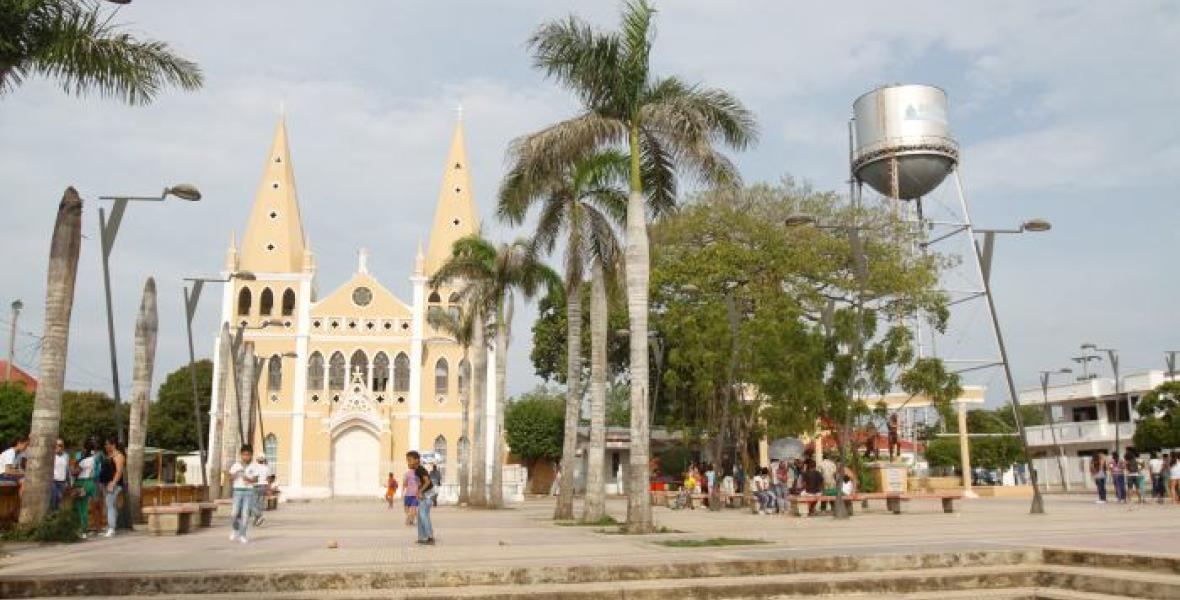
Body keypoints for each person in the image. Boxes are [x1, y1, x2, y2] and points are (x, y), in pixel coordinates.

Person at [228, 444, 259, 543]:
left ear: (251, 455)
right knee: (234, 513)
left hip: (248, 492)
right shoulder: (236, 465)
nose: (246, 457)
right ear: (241, 455)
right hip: (237, 491)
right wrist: (236, 475)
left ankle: (243, 535)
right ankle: (235, 529)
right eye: (244, 455)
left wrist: (249, 479)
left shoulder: (254, 466)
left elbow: (256, 479)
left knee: (245, 514)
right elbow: (229, 478)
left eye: (248, 455)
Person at [407, 450, 436, 544]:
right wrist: (418, 492)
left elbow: (427, 482)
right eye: (407, 460)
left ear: (416, 460)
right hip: (425, 495)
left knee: (423, 516)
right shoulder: (416, 471)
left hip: (428, 495)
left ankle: (430, 537)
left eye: (409, 460)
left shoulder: (420, 469)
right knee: (421, 516)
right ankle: (422, 538)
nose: (408, 462)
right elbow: (421, 483)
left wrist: (420, 491)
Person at [73, 438, 99, 538]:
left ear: (85, 449)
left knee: (80, 507)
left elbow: (75, 472)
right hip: (90, 482)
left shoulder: (84, 461)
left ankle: (82, 530)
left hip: (82, 482)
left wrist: (73, 465)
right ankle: (84, 530)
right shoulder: (93, 459)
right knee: (84, 506)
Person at [100, 438, 125, 537]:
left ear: (113, 445)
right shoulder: (109, 456)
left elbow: (119, 471)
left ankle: (111, 528)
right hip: (106, 483)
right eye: (105, 445)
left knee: (110, 505)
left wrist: (113, 483)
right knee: (110, 505)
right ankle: (111, 526)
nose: (106, 447)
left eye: (107, 444)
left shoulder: (118, 456)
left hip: (113, 484)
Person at [249, 456, 270, 527]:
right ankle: (255, 522)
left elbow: (252, 476)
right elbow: (268, 479)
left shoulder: (255, 467)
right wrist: (268, 489)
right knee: (259, 505)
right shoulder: (267, 468)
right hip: (263, 486)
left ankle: (260, 515)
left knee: (252, 504)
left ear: (257, 460)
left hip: (256, 486)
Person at [50, 438, 69, 511]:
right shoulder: (51, 456)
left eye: (60, 445)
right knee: (54, 498)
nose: (58, 447)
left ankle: (56, 517)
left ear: (63, 446)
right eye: (56, 445)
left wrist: (68, 482)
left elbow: (67, 469)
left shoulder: (66, 456)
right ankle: (51, 515)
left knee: (59, 499)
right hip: (53, 481)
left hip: (62, 482)